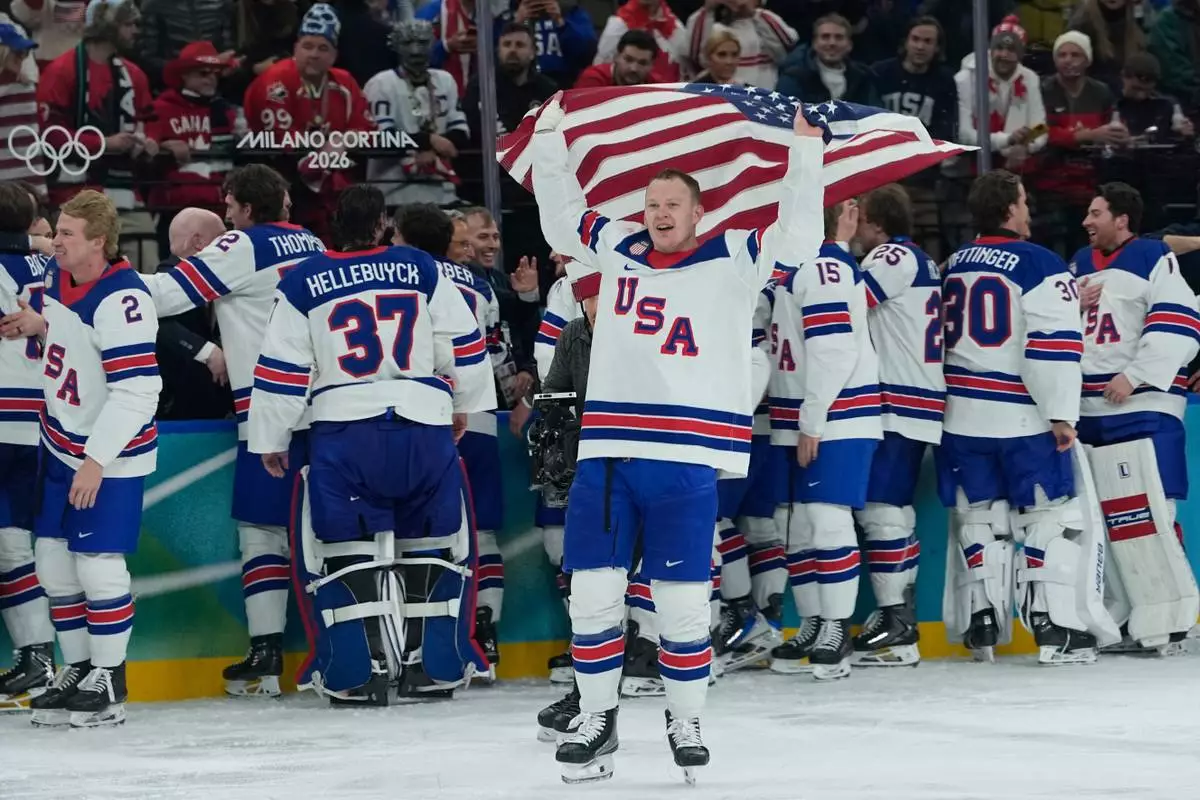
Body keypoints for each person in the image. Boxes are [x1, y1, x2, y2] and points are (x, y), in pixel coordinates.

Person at [531, 90, 824, 784]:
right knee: (595, 598)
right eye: (652, 202)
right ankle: (596, 720)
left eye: (673, 203)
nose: (660, 212)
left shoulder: (733, 256)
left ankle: (685, 719)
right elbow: (562, 215)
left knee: (685, 606)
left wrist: (805, 153)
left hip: (685, 460)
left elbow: (800, 238)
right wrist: (549, 138)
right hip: (608, 456)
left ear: (698, 212)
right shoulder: (620, 248)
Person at [247, 185, 494, 704]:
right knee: (432, 545)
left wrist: (271, 436)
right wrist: (463, 404)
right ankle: (436, 669)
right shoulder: (421, 268)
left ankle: (359, 674)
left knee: (345, 554)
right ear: (383, 223)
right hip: (422, 426)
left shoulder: (302, 281)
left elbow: (281, 369)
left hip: (344, 429)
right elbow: (466, 342)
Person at [138, 165, 325, 697]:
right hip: (327, 406)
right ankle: (335, 650)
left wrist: (100, 277)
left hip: (269, 414)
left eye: (228, 209)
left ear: (240, 207)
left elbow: (164, 297)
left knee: (262, 532)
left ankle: (267, 654)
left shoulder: (246, 244)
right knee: (323, 533)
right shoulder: (312, 242)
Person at [938, 169, 1103, 666]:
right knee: (1048, 519)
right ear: (1010, 208)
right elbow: (1050, 345)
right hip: (1021, 416)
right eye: (1025, 201)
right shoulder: (1039, 262)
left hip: (960, 416)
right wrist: (1061, 414)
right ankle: (1053, 629)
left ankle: (982, 621)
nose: (1029, 210)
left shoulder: (950, 264)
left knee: (979, 520)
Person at [22, 190, 160, 726]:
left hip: (109, 452)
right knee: (54, 566)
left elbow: (137, 392)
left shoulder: (125, 299)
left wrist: (97, 459)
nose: (55, 241)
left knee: (99, 568)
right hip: (60, 440)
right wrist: (40, 327)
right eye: (56, 230)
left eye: (66, 234)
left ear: (98, 243)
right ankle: (78, 667)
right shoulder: (61, 278)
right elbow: (71, 334)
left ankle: (110, 677)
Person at [1071, 182, 1200, 652]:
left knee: (1154, 512)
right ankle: (1127, 616)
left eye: (1096, 212)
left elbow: (1181, 319)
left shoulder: (1152, 257)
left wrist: (1137, 374)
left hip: (1145, 404)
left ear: (1122, 218)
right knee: (1106, 521)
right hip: (1088, 407)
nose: (1087, 221)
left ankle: (1170, 616)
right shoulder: (1078, 265)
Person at [765, 200, 882, 681]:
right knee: (799, 529)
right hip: (799, 412)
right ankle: (814, 623)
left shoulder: (826, 265)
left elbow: (833, 349)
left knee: (826, 521)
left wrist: (812, 420)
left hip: (837, 414)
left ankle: (836, 627)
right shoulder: (796, 264)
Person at [393, 203, 509, 680]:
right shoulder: (478, 284)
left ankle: (419, 643)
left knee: (416, 535)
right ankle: (486, 639)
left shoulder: (395, 277)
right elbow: (497, 351)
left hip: (420, 418)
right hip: (477, 413)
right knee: (481, 533)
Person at [848, 184, 945, 667]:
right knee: (894, 514)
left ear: (876, 222)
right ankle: (899, 618)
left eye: (859, 218)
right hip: (913, 398)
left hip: (898, 400)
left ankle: (897, 623)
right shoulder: (918, 258)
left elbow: (846, 303)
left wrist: (834, 250)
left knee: (882, 511)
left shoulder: (889, 256)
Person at [242, 3, 376, 242]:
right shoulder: (276, 81)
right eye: (307, 46)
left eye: (323, 48)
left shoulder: (345, 82)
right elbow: (280, 135)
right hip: (281, 180)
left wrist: (342, 142)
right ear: (295, 48)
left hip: (332, 185)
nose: (314, 54)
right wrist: (325, 152)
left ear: (334, 55)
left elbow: (366, 127)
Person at [0, 183, 54, 711]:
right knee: (18, 544)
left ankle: (37, 656)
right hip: (42, 420)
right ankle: (38, 657)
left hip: (3, 417)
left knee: (13, 546)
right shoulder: (55, 269)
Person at [364, 19, 470, 207]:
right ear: (395, 46)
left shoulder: (445, 81)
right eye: (407, 43)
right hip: (393, 194)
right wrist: (429, 140)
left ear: (432, 43)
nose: (415, 50)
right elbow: (381, 139)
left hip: (443, 193)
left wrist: (431, 148)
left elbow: (461, 133)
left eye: (422, 43)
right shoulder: (380, 84)